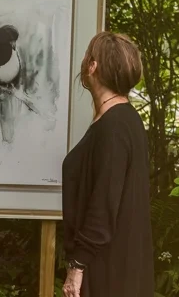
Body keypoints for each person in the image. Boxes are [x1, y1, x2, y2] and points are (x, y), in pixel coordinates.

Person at [61, 31, 153, 297]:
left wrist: (77, 266)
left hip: (107, 269)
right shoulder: (122, 119)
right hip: (116, 263)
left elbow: (103, 203)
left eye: (88, 57)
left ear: (93, 66)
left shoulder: (114, 126)